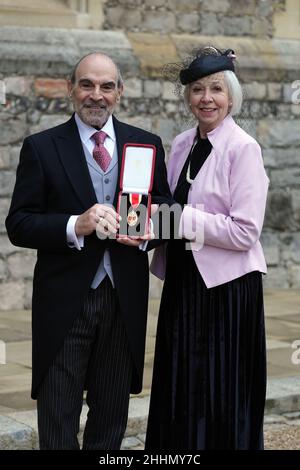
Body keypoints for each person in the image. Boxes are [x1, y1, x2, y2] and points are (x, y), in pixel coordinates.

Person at [5, 52, 171, 450]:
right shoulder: (42, 147)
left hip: (123, 301)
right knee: (58, 418)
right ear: (71, 89)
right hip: (64, 303)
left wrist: (145, 232)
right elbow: (19, 223)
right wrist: (73, 225)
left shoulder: (145, 145)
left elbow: (167, 210)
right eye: (87, 84)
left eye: (106, 86)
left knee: (111, 418)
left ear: (120, 92)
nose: (96, 95)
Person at [145, 46, 269, 450]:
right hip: (183, 280)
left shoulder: (243, 148)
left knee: (219, 386)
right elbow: (166, 207)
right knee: (179, 380)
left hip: (228, 288)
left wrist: (181, 219)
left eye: (216, 88)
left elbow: (245, 231)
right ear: (189, 99)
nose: (206, 98)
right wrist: (142, 231)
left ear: (231, 97)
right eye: (197, 90)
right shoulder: (181, 143)